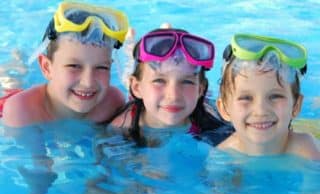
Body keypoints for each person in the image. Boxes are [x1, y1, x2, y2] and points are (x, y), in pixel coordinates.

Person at [97, 27, 232, 149]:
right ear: (137, 88)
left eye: (186, 82)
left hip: (196, 100)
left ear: (200, 89)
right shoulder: (123, 127)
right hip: (140, 100)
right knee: (129, 72)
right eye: (159, 80)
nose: (173, 95)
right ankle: (130, 44)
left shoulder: (210, 120)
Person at [1, 1, 129, 127]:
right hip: (10, 104)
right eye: (74, 66)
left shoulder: (113, 103)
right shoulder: (22, 111)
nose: (88, 82)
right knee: (11, 87)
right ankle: (15, 67)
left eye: (102, 67)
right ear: (47, 67)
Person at [216, 33, 320, 160]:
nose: (261, 111)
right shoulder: (222, 157)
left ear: (296, 106)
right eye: (246, 98)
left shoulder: (307, 150)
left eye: (275, 96)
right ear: (224, 108)